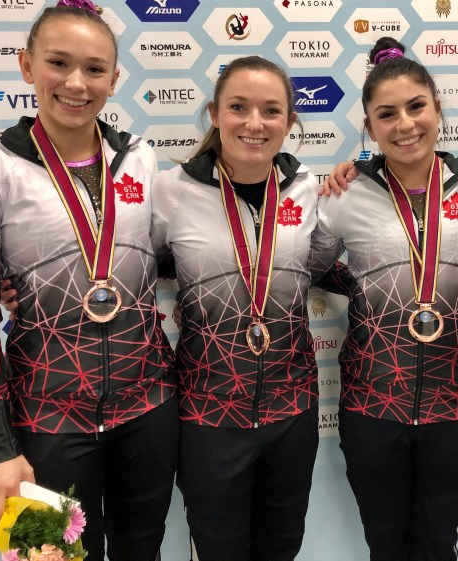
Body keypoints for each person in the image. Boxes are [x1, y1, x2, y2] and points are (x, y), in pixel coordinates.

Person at [0, 0, 178, 561]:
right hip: (47, 413)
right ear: (27, 65)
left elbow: (163, 260)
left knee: (141, 547)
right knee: (55, 557)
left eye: (94, 69)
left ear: (114, 78)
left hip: (147, 405)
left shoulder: (140, 160)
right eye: (58, 63)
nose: (76, 83)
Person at [309, 37, 458, 561]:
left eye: (417, 107)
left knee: (439, 543)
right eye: (386, 114)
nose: (405, 124)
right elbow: (307, 265)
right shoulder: (345, 194)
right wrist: (364, 289)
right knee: (386, 544)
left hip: (455, 406)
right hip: (372, 407)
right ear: (370, 128)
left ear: (438, 108)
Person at [150, 55, 320, 561]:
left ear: (290, 123)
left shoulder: (309, 189)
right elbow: (127, 262)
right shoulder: (171, 191)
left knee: (283, 546)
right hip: (208, 411)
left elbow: (330, 261)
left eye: (271, 111)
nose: (254, 123)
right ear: (214, 113)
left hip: (292, 409)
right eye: (239, 107)